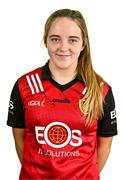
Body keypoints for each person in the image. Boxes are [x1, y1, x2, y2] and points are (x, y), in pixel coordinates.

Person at [7, 9, 117, 180]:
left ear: (83, 44)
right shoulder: (24, 85)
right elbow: (19, 139)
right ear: (46, 41)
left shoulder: (100, 90)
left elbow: (104, 147)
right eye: (55, 39)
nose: (63, 47)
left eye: (72, 40)